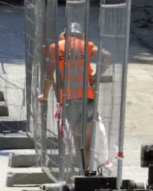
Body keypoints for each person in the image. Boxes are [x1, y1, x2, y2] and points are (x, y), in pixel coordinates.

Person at [38, 23, 109, 173]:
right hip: (88, 98)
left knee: (78, 140)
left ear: (64, 35)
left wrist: (44, 95)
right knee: (87, 141)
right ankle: (87, 171)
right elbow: (107, 57)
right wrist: (96, 76)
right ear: (80, 35)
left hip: (69, 99)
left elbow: (49, 73)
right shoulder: (86, 46)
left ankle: (81, 172)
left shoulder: (56, 47)